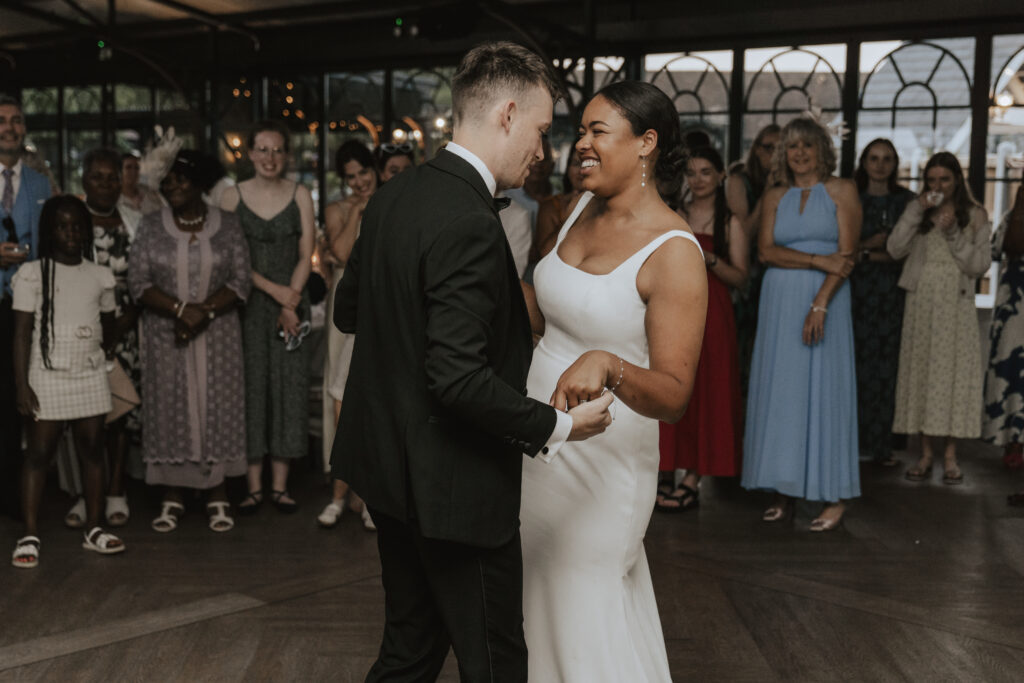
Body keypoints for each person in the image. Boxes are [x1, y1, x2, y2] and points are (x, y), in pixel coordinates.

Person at [331, 42, 613, 682]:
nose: (543, 152)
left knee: (411, 650)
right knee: (495, 662)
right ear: (508, 114)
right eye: (541, 130)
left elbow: (354, 312)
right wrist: (561, 427)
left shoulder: (394, 197)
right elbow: (455, 378)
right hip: (452, 488)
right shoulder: (469, 221)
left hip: (391, 475)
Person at [519, 80, 707, 681]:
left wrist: (611, 364)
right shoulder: (578, 207)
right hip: (539, 436)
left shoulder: (675, 250)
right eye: (581, 131)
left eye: (598, 131)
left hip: (604, 455)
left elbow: (675, 396)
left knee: (583, 602)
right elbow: (550, 313)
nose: (581, 144)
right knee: (536, 595)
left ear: (646, 142)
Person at [741, 116, 861, 531]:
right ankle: (783, 488)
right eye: (792, 146)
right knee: (783, 394)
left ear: (823, 151)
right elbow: (765, 252)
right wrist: (814, 259)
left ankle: (835, 495)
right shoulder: (775, 194)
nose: (800, 153)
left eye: (808, 145)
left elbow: (846, 257)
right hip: (779, 304)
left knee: (825, 392)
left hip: (825, 302)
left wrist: (820, 304)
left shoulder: (842, 190)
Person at [129, 150, 251, 533]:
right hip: (166, 336)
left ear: (199, 181)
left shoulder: (228, 225)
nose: (173, 186)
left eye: (181, 179)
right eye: (166, 181)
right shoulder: (151, 225)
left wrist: (203, 312)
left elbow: (240, 280)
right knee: (170, 407)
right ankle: (173, 495)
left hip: (219, 337)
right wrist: (181, 310)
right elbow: (138, 282)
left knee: (218, 405)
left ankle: (217, 493)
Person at [11, 195, 123, 567]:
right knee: (40, 454)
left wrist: (98, 344)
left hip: (89, 370)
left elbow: (108, 324)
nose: (71, 232)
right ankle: (29, 533)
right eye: (62, 225)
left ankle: (94, 527)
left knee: (92, 449)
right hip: (46, 373)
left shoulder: (98, 275)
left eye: (77, 225)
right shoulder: (32, 273)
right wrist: (22, 384)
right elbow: (22, 334)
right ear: (49, 231)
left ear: (87, 230)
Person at [221, 121, 315, 514]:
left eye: (277, 150)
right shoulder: (230, 197)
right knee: (251, 389)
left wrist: (289, 302)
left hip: (292, 302)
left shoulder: (301, 194)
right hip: (247, 304)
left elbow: (307, 250)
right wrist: (276, 293)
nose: (270, 158)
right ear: (250, 154)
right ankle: (252, 487)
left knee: (290, 390)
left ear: (286, 156)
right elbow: (230, 259)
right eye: (262, 149)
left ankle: (280, 487)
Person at [888, 152, 990, 485]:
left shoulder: (974, 215)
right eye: (931, 180)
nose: (937, 186)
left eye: (944, 180)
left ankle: (950, 455)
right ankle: (925, 452)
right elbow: (894, 248)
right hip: (921, 300)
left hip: (955, 302)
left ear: (956, 181)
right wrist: (917, 210)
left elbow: (978, 266)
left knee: (951, 375)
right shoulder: (918, 212)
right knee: (923, 372)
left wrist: (952, 234)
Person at [656, 146, 747, 511]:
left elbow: (741, 277)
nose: (698, 179)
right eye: (691, 172)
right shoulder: (672, 213)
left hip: (714, 311)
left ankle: (693, 476)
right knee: (667, 384)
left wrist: (706, 257)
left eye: (706, 172)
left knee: (705, 390)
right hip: (673, 307)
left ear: (721, 175)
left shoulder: (731, 223)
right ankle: (663, 472)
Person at [59, 148, 143, 530]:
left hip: (125, 330)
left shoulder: (135, 222)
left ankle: (115, 491)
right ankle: (82, 493)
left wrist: (124, 323)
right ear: (84, 181)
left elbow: (146, 279)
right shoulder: (68, 223)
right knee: (82, 415)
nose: (107, 185)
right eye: (98, 177)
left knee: (119, 414)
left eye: (113, 178)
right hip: (80, 331)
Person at [317, 140, 380, 530]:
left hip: (376, 305)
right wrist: (357, 210)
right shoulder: (339, 208)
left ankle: (367, 492)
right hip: (344, 302)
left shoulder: (392, 201)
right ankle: (340, 486)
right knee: (338, 394)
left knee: (371, 397)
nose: (359, 181)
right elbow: (339, 254)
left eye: (363, 173)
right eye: (350, 177)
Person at [1, 93, 53, 521]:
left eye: (16, 120)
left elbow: (51, 244)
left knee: (27, 399)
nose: (9, 127)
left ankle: (25, 498)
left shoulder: (39, 184)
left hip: (26, 308)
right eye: (1, 120)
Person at [851, 139, 916, 467]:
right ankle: (853, 441)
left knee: (888, 369)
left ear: (895, 163)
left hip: (893, 295)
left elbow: (904, 252)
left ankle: (882, 445)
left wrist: (874, 253)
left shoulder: (907, 201)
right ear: (864, 162)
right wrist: (868, 248)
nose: (880, 164)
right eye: (874, 158)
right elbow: (843, 249)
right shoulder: (851, 197)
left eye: (887, 158)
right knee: (856, 366)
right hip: (854, 293)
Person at [728, 123, 782, 399]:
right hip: (748, 274)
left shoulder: (795, 185)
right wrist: (768, 194)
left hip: (780, 273)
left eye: (779, 147)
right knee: (744, 350)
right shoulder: (740, 181)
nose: (772, 154)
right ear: (756, 150)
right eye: (767, 147)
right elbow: (745, 233)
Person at [985, 183, 1024, 504]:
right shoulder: (1014, 216)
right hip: (1014, 310)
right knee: (1012, 375)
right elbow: (995, 250)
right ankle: (1013, 440)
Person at [532, 146, 584, 260]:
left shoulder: (608, 206)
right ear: (568, 169)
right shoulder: (551, 206)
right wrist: (572, 215)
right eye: (576, 163)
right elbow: (544, 254)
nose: (582, 170)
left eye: (588, 164)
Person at [118, 150, 165, 216]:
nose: (133, 171)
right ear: (120, 171)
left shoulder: (149, 192)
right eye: (128, 167)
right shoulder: (116, 198)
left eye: (136, 168)